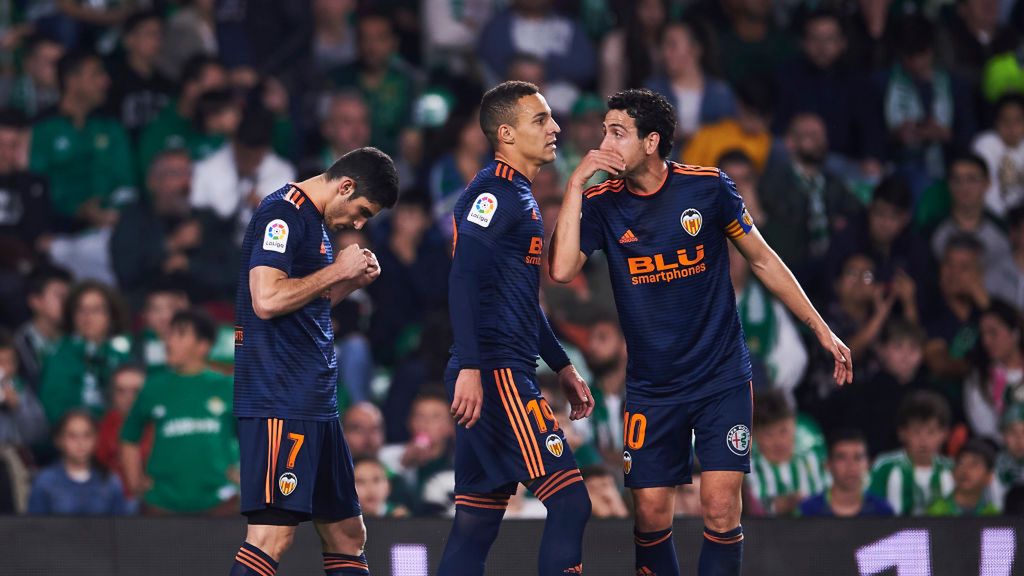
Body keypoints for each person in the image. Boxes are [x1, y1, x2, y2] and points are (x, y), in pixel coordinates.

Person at [548, 88, 851, 576]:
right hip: (651, 385)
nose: (603, 141)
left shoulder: (708, 188)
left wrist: (821, 328)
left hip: (720, 378)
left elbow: (762, 259)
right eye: (604, 130)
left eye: (616, 131)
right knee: (648, 516)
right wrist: (577, 183)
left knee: (719, 508)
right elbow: (561, 270)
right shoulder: (602, 203)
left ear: (651, 142)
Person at [439, 80, 594, 576]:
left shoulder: (519, 194)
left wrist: (563, 366)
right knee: (571, 503)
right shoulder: (493, 192)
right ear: (505, 133)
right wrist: (469, 366)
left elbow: (521, 301)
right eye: (541, 120)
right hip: (496, 374)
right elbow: (462, 276)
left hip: (498, 369)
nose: (556, 128)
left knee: (477, 522)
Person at [229, 146, 398, 576]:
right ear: (345, 185)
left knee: (346, 533)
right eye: (361, 211)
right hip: (279, 399)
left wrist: (348, 284)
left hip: (315, 404)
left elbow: (303, 303)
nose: (359, 225)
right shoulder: (281, 216)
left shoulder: (314, 222)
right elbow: (266, 298)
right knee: (272, 535)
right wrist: (338, 271)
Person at [120, 309, 238, 515]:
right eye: (169, 334)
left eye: (180, 334)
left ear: (203, 345)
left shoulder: (227, 386)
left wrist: (244, 474)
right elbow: (129, 437)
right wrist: (135, 480)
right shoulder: (153, 387)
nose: (169, 342)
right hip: (161, 503)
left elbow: (256, 437)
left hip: (220, 502)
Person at [39, 281, 133, 423]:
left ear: (111, 315)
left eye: (96, 310)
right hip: (74, 435)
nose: (88, 317)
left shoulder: (130, 348)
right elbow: (53, 405)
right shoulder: (59, 354)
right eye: (81, 310)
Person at [27, 410, 130, 515]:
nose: (80, 443)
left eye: (87, 435)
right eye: (72, 436)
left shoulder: (110, 482)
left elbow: (119, 526)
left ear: (96, 439)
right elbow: (35, 526)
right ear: (59, 440)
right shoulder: (45, 482)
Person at [869, 391, 954, 516]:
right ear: (902, 433)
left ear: (944, 434)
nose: (923, 440)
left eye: (931, 432)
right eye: (916, 432)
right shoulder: (884, 467)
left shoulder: (952, 469)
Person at [747, 390, 827, 516]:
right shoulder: (746, 469)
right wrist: (776, 506)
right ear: (755, 435)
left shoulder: (812, 459)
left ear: (794, 425)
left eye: (783, 431)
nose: (778, 442)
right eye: (769, 434)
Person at [798, 429, 895, 517]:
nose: (851, 466)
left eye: (858, 458)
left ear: (868, 465)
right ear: (828, 464)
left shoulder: (883, 511)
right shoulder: (807, 511)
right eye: (842, 458)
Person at [964, 300, 1024, 440]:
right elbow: (985, 430)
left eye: (993, 333)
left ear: (1014, 333)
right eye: (983, 335)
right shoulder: (979, 379)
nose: (986, 341)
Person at [13, 267, 70, 390]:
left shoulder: (76, 339)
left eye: (70, 297)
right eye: (60, 297)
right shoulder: (18, 345)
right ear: (35, 301)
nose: (68, 304)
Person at [927, 438, 1000, 516]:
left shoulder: (992, 515)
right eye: (961, 463)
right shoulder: (936, 512)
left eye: (974, 464)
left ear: (989, 477)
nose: (965, 470)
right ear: (953, 472)